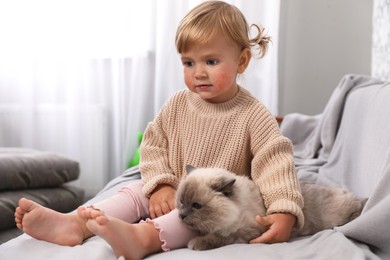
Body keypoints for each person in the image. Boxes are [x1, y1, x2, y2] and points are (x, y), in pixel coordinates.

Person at [14, 1, 304, 259]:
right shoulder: (178, 103)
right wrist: (160, 184)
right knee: (133, 191)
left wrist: (283, 209)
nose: (198, 72)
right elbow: (153, 146)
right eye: (189, 62)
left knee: (195, 218)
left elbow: (275, 162)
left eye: (211, 61)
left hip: (210, 205)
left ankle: (143, 239)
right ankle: (76, 225)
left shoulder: (254, 113)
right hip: (172, 187)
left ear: (242, 60)